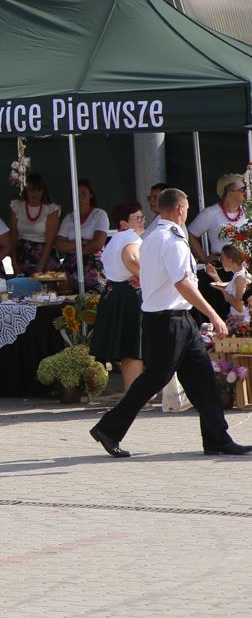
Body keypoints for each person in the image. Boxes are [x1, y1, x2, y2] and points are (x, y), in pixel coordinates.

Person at [89, 188, 252, 457]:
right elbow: (183, 283)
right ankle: (108, 428)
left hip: (174, 318)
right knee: (155, 378)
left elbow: (153, 274)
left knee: (201, 379)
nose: (187, 212)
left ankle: (217, 438)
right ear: (180, 209)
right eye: (186, 208)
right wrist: (213, 314)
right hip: (169, 319)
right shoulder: (173, 240)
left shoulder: (152, 237)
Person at [89, 202, 146, 394]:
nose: (142, 221)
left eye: (142, 217)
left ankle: (133, 394)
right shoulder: (131, 237)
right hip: (130, 295)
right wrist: (145, 277)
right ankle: (135, 395)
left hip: (114, 292)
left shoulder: (114, 239)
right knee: (133, 349)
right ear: (124, 223)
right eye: (137, 218)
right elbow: (130, 257)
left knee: (129, 350)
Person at [54, 179, 110, 294]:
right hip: (70, 267)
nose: (80, 197)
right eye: (76, 194)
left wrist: (71, 248)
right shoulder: (69, 218)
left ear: (91, 195)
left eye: (83, 193)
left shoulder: (100, 215)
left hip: (94, 266)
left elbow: (97, 244)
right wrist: (80, 243)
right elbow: (59, 244)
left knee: (94, 299)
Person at [189, 173, 247, 267]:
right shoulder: (210, 213)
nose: (246, 192)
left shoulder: (247, 211)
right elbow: (191, 235)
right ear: (230, 193)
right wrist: (204, 258)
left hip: (247, 265)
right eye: (243, 189)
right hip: (223, 267)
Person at [11, 173, 61, 276]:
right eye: (31, 190)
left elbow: (50, 242)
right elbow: (13, 236)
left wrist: (40, 267)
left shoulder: (51, 209)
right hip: (22, 256)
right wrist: (14, 261)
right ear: (25, 190)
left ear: (43, 191)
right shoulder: (17, 207)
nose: (35, 194)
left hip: (44, 256)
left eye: (39, 190)